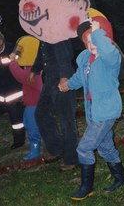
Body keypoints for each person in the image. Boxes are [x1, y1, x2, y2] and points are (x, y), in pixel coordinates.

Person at [59, 18, 124, 201]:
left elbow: (106, 49)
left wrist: (98, 33)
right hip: (94, 111)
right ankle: (121, 180)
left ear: (104, 39)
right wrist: (67, 85)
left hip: (105, 112)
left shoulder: (110, 59)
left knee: (84, 149)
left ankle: (86, 187)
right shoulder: (86, 62)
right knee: (106, 148)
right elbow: (78, 79)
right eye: (88, 42)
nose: (92, 44)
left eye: (95, 40)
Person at [27, 38, 79, 171]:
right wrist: (34, 70)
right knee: (40, 113)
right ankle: (57, 149)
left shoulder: (57, 34)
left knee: (66, 120)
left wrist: (65, 77)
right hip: (50, 81)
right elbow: (41, 53)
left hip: (62, 80)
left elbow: (65, 57)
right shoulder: (44, 34)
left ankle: (72, 159)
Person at [8, 36, 43, 160]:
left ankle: (35, 152)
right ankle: (47, 145)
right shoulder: (33, 68)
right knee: (32, 125)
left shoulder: (33, 71)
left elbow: (21, 76)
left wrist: (12, 62)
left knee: (33, 129)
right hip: (31, 104)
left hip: (33, 105)